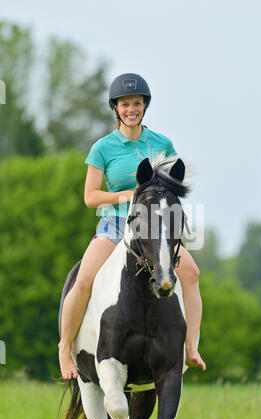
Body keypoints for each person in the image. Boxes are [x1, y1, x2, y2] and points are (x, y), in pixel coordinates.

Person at [58, 73, 206, 379]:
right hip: (114, 223)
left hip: (153, 226)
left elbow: (171, 187)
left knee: (191, 273)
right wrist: (125, 195)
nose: (131, 109)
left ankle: (190, 347)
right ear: (115, 108)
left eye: (136, 103)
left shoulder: (162, 143)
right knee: (83, 279)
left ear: (144, 106)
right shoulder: (103, 148)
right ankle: (64, 348)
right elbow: (90, 197)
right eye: (125, 104)